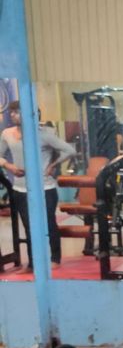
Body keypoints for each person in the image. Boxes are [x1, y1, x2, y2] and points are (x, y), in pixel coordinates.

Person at [0, 101, 76, 270]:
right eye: (11, 112)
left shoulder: (44, 134)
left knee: (49, 223)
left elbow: (70, 150)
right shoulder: (7, 133)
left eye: (17, 112)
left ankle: (55, 258)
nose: (12, 115)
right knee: (28, 226)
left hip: (45, 188)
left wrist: (53, 164)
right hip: (20, 188)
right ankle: (33, 262)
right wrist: (9, 166)